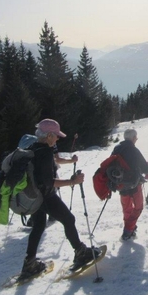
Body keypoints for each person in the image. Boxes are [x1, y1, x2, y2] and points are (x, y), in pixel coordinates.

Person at [21, 119, 102, 278]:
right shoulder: (44, 152)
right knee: (68, 219)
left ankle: (29, 263)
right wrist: (72, 182)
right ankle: (80, 252)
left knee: (38, 226)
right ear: (49, 135)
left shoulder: (33, 148)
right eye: (56, 136)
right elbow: (48, 182)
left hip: (33, 197)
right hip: (45, 196)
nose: (58, 139)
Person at [111, 129, 148, 240]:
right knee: (138, 207)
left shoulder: (117, 148)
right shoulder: (134, 150)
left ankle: (129, 227)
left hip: (120, 184)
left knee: (127, 208)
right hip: (134, 184)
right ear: (133, 138)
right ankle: (128, 229)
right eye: (136, 137)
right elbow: (144, 167)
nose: (136, 139)